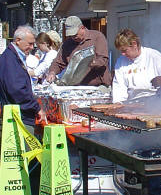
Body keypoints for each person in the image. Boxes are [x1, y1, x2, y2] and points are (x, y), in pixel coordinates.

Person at [112, 29, 161, 195]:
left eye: (125, 50)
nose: (123, 53)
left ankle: (154, 188)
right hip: (133, 106)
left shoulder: (153, 55)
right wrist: (118, 105)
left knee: (150, 148)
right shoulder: (121, 61)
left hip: (156, 104)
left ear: (134, 44)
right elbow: (119, 85)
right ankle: (138, 183)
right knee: (137, 148)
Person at [0, 25, 46, 195]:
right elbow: (17, 90)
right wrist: (36, 108)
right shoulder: (10, 59)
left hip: (18, 114)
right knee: (30, 159)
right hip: (20, 117)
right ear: (17, 41)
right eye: (30, 43)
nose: (32, 47)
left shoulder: (12, 57)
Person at [46, 16, 112, 86]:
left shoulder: (97, 37)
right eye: (71, 35)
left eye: (75, 34)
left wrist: (90, 63)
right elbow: (58, 62)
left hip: (99, 85)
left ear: (82, 28)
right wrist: (52, 72)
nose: (73, 37)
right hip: (77, 86)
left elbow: (103, 59)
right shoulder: (67, 44)